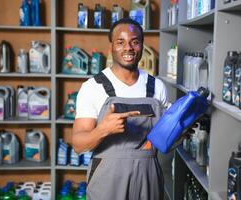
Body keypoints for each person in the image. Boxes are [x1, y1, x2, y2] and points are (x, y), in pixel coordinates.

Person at [72, 18, 169, 200]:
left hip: (148, 176)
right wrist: (103, 130)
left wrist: (179, 131)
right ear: (111, 47)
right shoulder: (93, 87)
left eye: (134, 42)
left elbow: (162, 139)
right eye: (120, 42)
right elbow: (78, 145)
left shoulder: (157, 87)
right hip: (108, 179)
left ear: (141, 45)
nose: (128, 48)